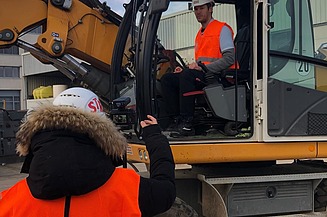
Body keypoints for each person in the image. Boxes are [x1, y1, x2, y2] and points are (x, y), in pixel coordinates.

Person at [0, 87, 175, 217]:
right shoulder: (128, 189)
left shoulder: (11, 201)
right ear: (103, 131)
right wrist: (154, 137)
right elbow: (166, 190)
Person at [160, 0, 237, 136]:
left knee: (187, 76)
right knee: (168, 79)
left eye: (201, 8)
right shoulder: (200, 34)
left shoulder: (222, 29)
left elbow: (229, 58)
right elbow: (201, 62)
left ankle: (187, 122)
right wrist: (186, 70)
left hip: (219, 76)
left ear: (210, 8)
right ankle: (175, 120)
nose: (198, 12)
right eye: (196, 9)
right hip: (205, 75)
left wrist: (203, 69)